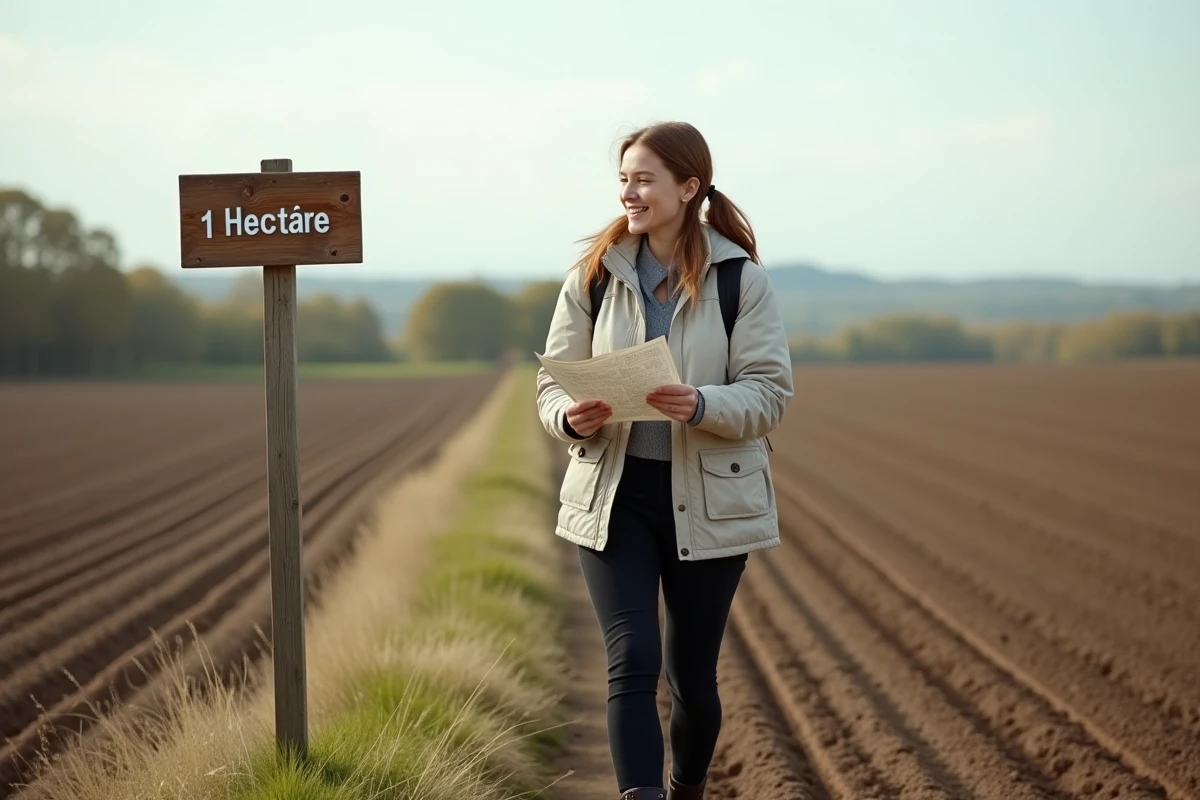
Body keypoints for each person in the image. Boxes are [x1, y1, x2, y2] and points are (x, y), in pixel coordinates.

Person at [535, 121, 794, 800]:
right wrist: (570, 415)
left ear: (689, 187)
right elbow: (551, 383)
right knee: (632, 662)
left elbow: (769, 394)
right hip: (615, 497)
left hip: (708, 500)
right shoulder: (591, 276)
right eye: (623, 178)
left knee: (692, 681)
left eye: (644, 179)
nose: (629, 192)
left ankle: (687, 788)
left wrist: (702, 405)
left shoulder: (741, 279)